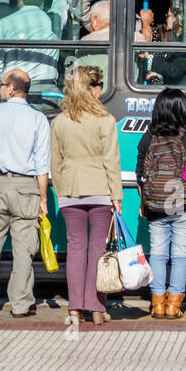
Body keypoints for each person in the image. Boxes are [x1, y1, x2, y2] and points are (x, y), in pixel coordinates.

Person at [0, 69, 50, 318]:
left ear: (11, 88)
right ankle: (22, 305)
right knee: (24, 250)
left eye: (1, 85)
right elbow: (42, 165)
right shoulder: (39, 119)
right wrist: (43, 199)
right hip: (27, 189)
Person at [49, 65, 121, 329]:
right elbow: (111, 160)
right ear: (91, 89)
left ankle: (75, 308)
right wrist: (117, 196)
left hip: (69, 190)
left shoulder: (59, 121)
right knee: (97, 251)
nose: (101, 89)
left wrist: (60, 190)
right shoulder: (106, 120)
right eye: (98, 85)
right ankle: (97, 307)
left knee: (76, 250)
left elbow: (55, 163)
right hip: (100, 189)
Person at [136, 87, 186, 320]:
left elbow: (140, 173)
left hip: (155, 205)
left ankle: (157, 304)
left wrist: (144, 201)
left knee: (158, 254)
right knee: (181, 255)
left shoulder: (149, 137)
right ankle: (174, 306)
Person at [0, 0, 59, 94]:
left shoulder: (4, 23)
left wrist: (5, 83)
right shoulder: (54, 22)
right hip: (48, 90)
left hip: (15, 90)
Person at [143, 0, 186, 85]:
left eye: (169, 15)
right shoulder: (160, 33)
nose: (166, 18)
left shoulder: (183, 39)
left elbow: (174, 68)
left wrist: (149, 58)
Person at [73, 0, 110, 81]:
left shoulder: (86, 41)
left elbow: (79, 76)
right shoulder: (135, 36)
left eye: (90, 21)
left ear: (95, 20)